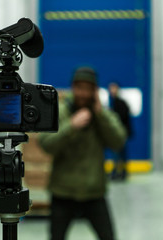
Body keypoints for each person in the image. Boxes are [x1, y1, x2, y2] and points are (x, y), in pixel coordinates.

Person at [38, 67, 127, 240]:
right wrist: (71, 126)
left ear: (94, 91)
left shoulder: (102, 115)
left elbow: (118, 141)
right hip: (63, 192)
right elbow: (46, 144)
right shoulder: (61, 111)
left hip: (94, 193)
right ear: (73, 88)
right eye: (80, 88)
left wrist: (100, 115)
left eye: (88, 89)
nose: (83, 94)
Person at [108, 83, 132, 180]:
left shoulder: (120, 103)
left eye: (113, 88)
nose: (112, 90)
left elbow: (122, 117)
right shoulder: (113, 102)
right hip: (118, 132)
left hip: (121, 132)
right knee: (117, 153)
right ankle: (117, 172)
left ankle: (121, 172)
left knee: (119, 153)